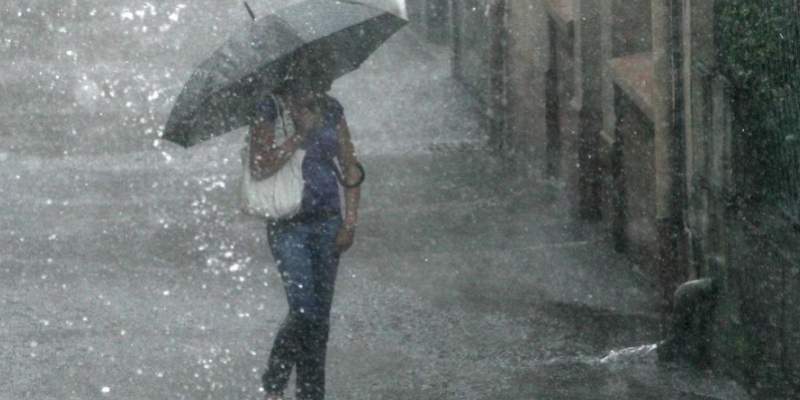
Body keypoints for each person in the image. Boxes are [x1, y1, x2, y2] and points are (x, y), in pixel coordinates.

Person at [249, 48, 363, 400]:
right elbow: (259, 166)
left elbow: (350, 167)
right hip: (288, 225)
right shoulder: (270, 109)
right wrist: (299, 135)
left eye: (317, 76)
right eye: (304, 76)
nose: (312, 84)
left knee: (319, 319)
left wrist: (350, 222)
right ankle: (275, 380)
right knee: (304, 311)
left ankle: (311, 393)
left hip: (328, 222)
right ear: (290, 77)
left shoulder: (332, 110)